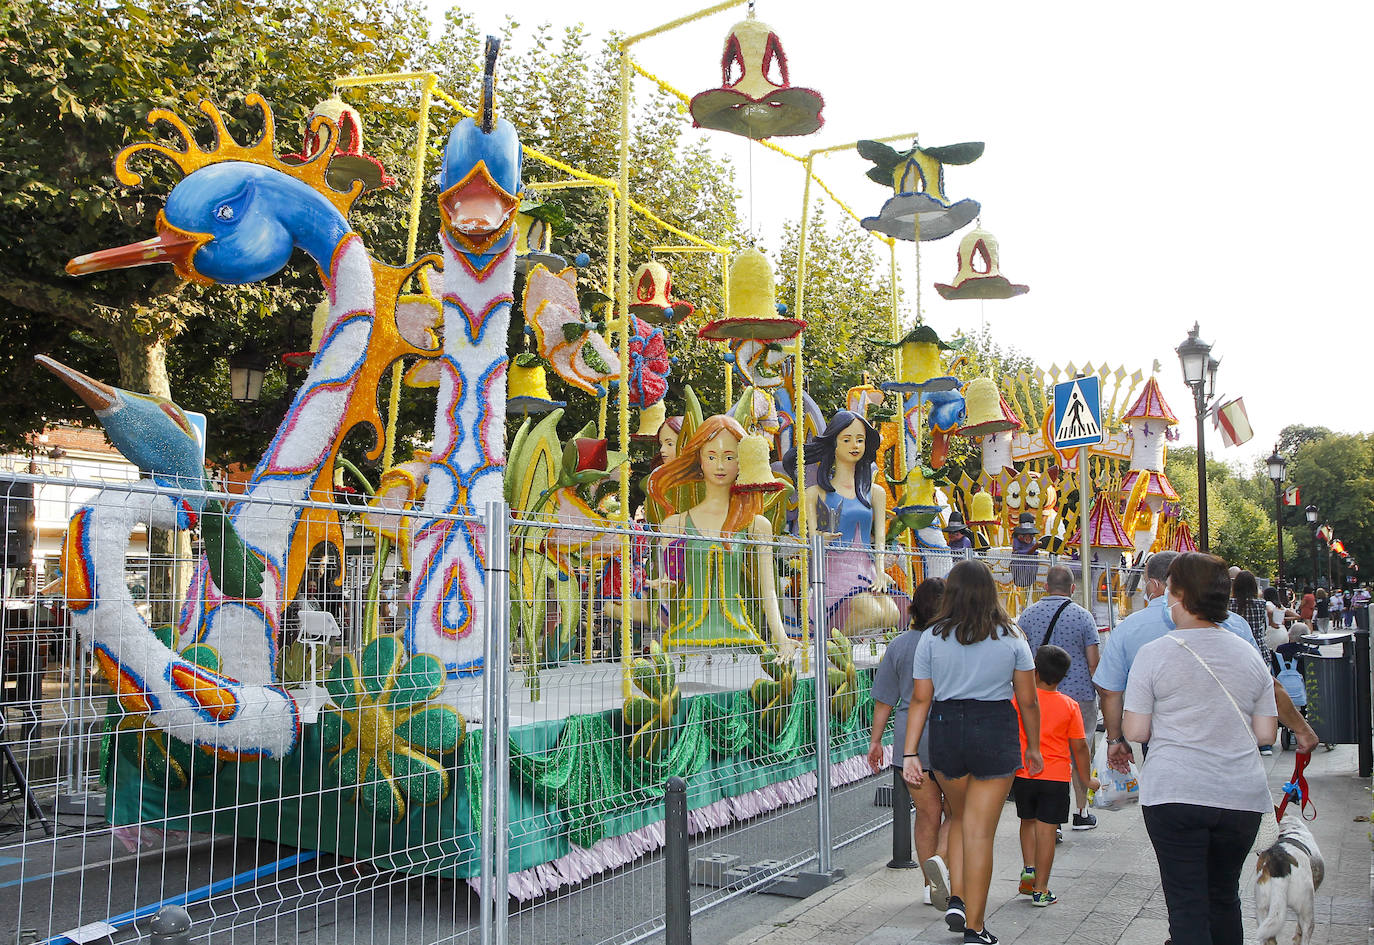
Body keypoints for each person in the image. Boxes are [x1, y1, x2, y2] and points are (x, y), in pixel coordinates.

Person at [1123, 552, 1278, 945]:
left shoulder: (1154, 653)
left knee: (1187, 904)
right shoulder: (1249, 655)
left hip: (1175, 792)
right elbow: (1265, 733)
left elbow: (1136, 730)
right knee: (1224, 897)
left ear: (1179, 594)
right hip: (1240, 795)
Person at [903, 560, 1042, 945]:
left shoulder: (932, 636)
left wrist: (911, 752)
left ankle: (959, 898)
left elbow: (920, 698)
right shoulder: (1012, 635)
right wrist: (1033, 745)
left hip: (946, 729)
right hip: (995, 728)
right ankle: (975, 928)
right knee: (981, 832)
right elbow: (1028, 701)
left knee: (961, 819)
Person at [1094, 551, 1318, 772]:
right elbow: (1267, 692)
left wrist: (1116, 738)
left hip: (1169, 764)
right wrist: (1301, 728)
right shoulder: (1237, 630)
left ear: (1170, 591)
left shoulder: (1138, 639)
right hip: (1234, 760)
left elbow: (1122, 710)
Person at [646, 415, 793, 655]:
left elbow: (769, 590)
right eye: (712, 457)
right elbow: (666, 592)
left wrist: (782, 639)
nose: (720, 466)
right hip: (685, 643)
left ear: (741, 462)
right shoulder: (675, 524)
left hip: (740, 642)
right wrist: (662, 584)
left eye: (729, 457)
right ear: (700, 461)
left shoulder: (756, 525)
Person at [869, 578, 951, 908]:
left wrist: (875, 741)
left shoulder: (900, 645)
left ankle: (930, 885)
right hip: (949, 737)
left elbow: (884, 701)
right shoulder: (953, 642)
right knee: (957, 814)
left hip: (909, 743)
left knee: (927, 814)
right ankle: (944, 864)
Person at [802, 410, 904, 635]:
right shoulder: (815, 492)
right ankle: (834, 644)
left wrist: (879, 570)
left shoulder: (874, 493)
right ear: (834, 444)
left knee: (892, 615)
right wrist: (821, 537)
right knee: (874, 614)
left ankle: (840, 643)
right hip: (835, 573)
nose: (854, 445)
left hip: (866, 571)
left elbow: (879, 540)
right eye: (847, 440)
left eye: (860, 440)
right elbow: (810, 537)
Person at [1016, 564, 1100, 829]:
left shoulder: (1027, 616)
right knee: (1079, 750)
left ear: (1045, 586)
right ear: (1072, 588)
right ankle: (1081, 812)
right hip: (1078, 694)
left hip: (1037, 694)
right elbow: (1093, 662)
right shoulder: (1084, 616)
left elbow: (1020, 656)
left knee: (1044, 750)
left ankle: (1051, 820)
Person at [1013, 644, 1097, 907]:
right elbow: (1080, 747)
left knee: (1026, 821)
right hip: (1056, 776)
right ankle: (1041, 889)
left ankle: (1029, 867)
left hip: (1023, 773)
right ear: (1063, 676)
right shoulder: (1069, 706)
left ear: (1034, 671)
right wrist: (1086, 778)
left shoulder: (1019, 701)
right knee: (1047, 832)